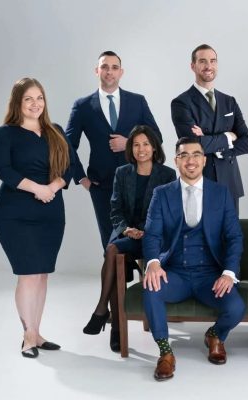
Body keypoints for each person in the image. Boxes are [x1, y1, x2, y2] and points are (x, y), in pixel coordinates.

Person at [142, 136, 246, 381]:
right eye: (184, 155)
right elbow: (152, 234)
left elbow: (234, 237)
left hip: (210, 276)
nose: (191, 161)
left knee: (237, 308)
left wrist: (228, 273)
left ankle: (215, 335)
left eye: (196, 154)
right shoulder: (161, 194)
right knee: (151, 288)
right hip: (175, 273)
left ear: (204, 159)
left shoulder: (221, 193)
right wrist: (153, 263)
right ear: (176, 161)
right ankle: (165, 352)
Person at [0, 77, 74, 358]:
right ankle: (27, 337)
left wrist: (52, 187)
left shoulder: (55, 131)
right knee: (28, 274)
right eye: (28, 99)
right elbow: (3, 170)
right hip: (15, 213)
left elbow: (71, 166)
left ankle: (37, 333)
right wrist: (37, 188)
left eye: (39, 98)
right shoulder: (6, 134)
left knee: (41, 274)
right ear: (18, 103)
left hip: (50, 213)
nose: (35, 104)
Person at [82, 125, 176, 352]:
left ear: (154, 147)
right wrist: (126, 230)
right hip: (128, 235)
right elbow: (115, 210)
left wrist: (146, 231)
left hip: (154, 238)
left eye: (146, 144)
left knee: (113, 259)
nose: (141, 149)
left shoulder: (167, 175)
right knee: (112, 252)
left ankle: (104, 314)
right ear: (130, 148)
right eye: (136, 144)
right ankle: (114, 325)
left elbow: (168, 214)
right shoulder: (122, 173)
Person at [66, 50, 162, 250]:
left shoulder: (137, 101)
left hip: (139, 181)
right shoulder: (83, 106)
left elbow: (156, 137)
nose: (109, 71)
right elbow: (67, 146)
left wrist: (129, 143)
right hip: (102, 186)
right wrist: (81, 178)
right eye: (105, 67)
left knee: (145, 241)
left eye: (114, 67)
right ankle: (115, 273)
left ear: (121, 72)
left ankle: (145, 273)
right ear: (97, 70)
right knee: (111, 246)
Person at [171, 44, 248, 210]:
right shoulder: (181, 103)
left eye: (213, 61)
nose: (209, 66)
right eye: (203, 61)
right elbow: (194, 145)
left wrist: (212, 144)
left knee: (231, 228)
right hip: (200, 181)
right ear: (193, 66)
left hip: (230, 184)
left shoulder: (229, 101)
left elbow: (247, 143)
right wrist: (228, 137)